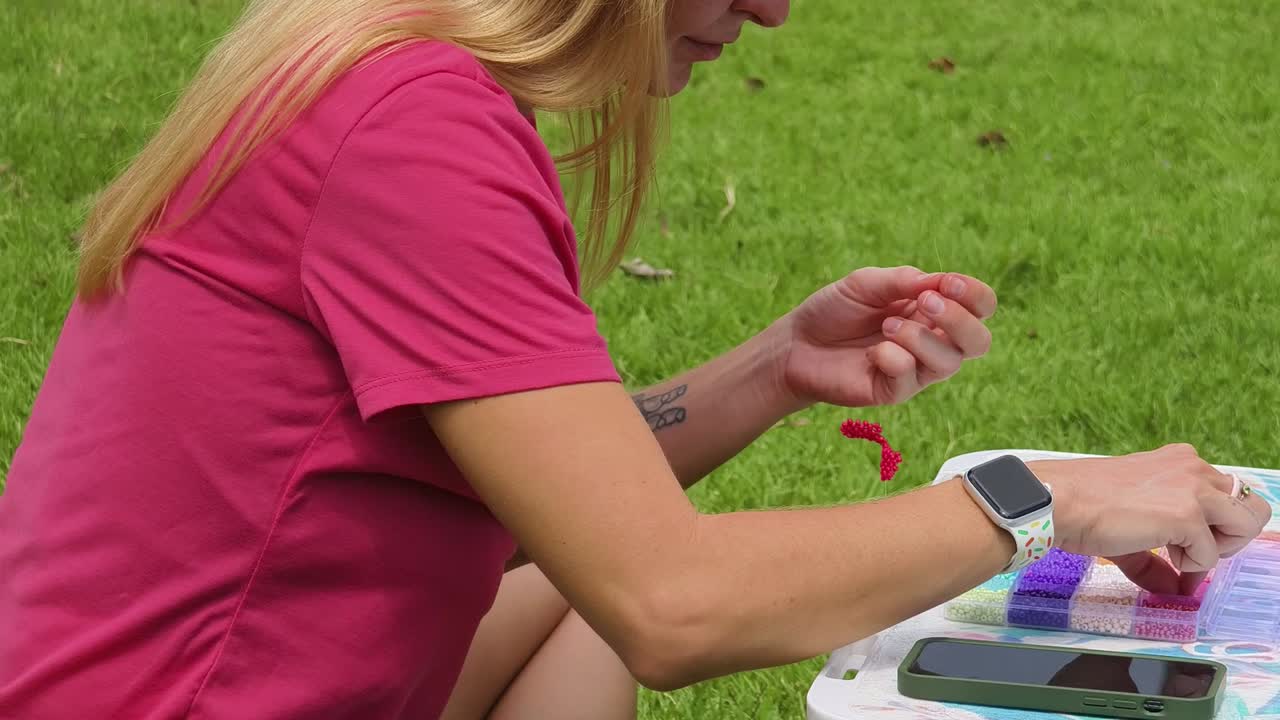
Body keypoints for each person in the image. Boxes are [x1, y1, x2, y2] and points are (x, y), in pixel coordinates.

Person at [0, 1, 1269, 718]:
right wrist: (1049, 499)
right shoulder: (410, 133)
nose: (769, 8)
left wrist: (770, 369)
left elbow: (567, 514)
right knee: (632, 589)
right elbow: (673, 606)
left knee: (587, 585)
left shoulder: (379, 67)